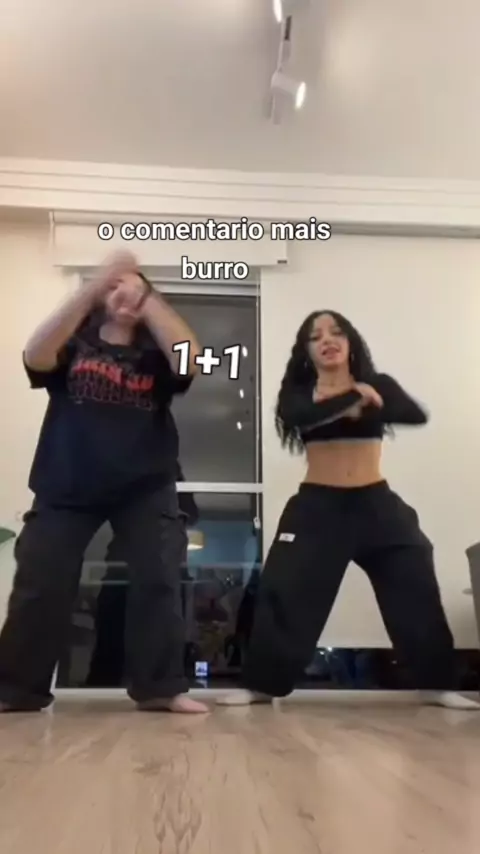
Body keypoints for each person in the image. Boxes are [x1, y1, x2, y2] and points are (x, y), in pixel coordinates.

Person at [218, 310, 479, 710]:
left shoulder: (379, 384)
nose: (327, 339)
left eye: (336, 332)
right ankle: (261, 685)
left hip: (375, 502)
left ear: (349, 341)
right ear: (307, 351)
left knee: (415, 579)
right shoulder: (301, 392)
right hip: (318, 506)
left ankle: (437, 684)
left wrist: (361, 399)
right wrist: (356, 399)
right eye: (316, 336)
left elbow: (412, 413)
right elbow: (299, 416)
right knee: (285, 591)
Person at [0, 251, 208, 714]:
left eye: (133, 285)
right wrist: (96, 284)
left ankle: (160, 688)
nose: (123, 292)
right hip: (66, 480)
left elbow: (190, 360)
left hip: (145, 484)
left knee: (159, 578)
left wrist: (146, 298)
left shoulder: (156, 357)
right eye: (114, 286)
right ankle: (13, 689)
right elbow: (34, 354)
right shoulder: (74, 344)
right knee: (40, 582)